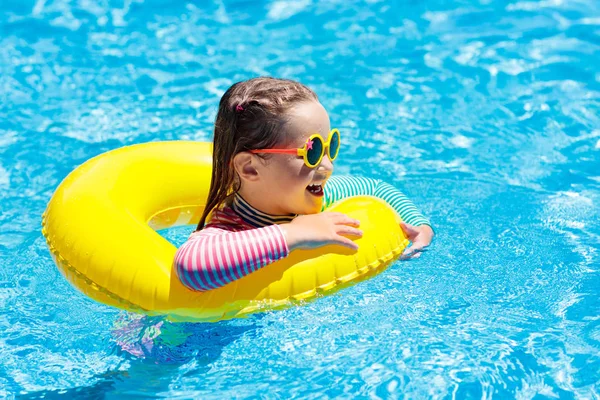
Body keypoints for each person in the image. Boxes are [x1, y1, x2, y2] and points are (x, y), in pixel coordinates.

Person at [174, 77, 434, 292]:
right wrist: (293, 233)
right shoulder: (229, 232)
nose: (328, 166)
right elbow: (191, 266)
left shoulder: (317, 197)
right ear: (250, 167)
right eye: (312, 151)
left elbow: (376, 188)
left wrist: (418, 224)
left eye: (330, 146)